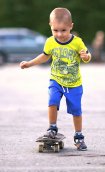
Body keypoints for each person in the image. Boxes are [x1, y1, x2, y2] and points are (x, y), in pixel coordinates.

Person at [20, 7, 91, 151]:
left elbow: (87, 55)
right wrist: (29, 64)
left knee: (76, 111)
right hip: (56, 80)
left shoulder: (77, 42)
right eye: (55, 30)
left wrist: (86, 57)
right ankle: (52, 127)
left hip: (74, 84)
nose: (59, 34)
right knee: (52, 101)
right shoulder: (50, 42)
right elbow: (45, 56)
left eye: (63, 30)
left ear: (71, 26)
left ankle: (78, 136)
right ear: (50, 26)